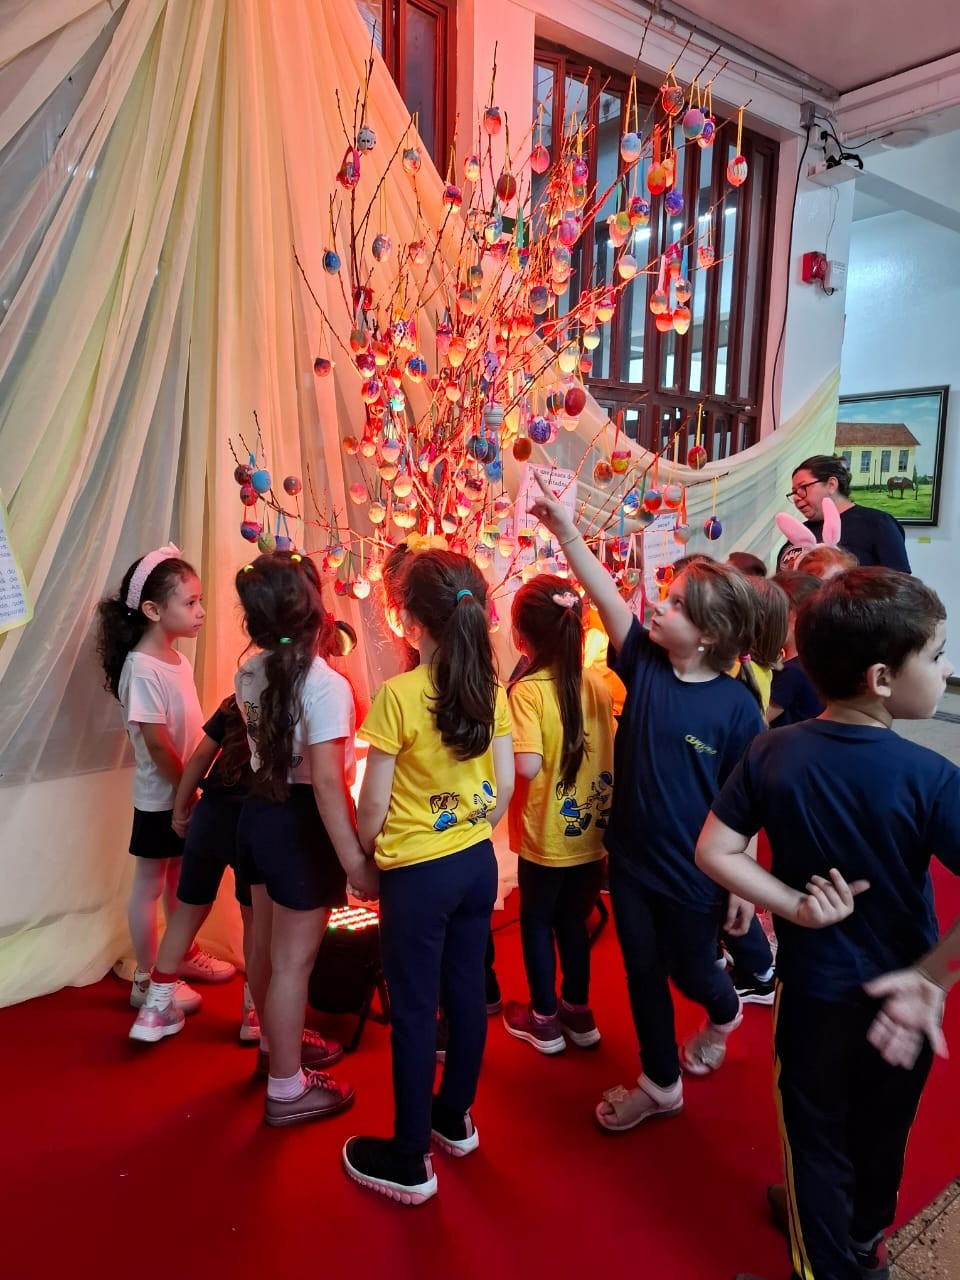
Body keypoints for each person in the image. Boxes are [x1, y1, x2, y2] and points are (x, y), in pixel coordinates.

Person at [695, 567, 959, 1280]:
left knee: (814, 1141)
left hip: (813, 994)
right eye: (937, 656)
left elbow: (714, 850)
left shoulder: (772, 750)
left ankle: (833, 1253)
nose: (946, 670)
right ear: (882, 678)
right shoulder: (931, 776)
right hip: (902, 1002)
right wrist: (931, 979)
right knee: (881, 1132)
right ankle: (860, 1247)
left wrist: (794, 906)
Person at [528, 474, 764, 1132]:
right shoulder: (644, 663)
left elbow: (747, 803)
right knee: (640, 972)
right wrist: (565, 530)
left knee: (692, 971)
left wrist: (743, 881)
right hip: (630, 862)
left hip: (695, 876)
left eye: (677, 605)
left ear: (710, 635)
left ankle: (725, 1010)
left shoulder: (737, 708)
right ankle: (661, 1083)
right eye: (665, 595)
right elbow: (606, 593)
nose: (659, 607)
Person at [344, 550, 514, 1204]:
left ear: (410, 622)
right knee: (467, 994)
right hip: (475, 865)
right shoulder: (491, 690)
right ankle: (454, 1116)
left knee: (415, 1011)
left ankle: (410, 1157)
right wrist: (469, 831)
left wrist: (366, 857)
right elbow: (502, 788)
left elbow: (372, 806)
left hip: (418, 877)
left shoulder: (399, 695)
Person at [234, 551, 375, 1127]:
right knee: (293, 964)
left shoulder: (249, 671)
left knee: (264, 950)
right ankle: (287, 1089)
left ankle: (277, 1050)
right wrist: (356, 863)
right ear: (316, 610)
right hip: (298, 825)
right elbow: (326, 783)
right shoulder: (326, 685)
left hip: (256, 815)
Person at [97, 543, 233, 1012]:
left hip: (183, 792)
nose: (201, 611)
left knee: (180, 877)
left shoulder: (178, 660)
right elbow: (157, 745)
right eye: (191, 602)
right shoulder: (141, 668)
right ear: (153, 610)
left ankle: (181, 955)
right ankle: (147, 975)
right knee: (151, 882)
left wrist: (191, 789)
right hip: (163, 797)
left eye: (200, 601)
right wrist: (184, 790)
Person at [502, 575, 614, 1054]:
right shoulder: (597, 685)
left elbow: (527, 765)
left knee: (537, 922)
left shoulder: (526, 692)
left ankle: (544, 1017)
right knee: (574, 920)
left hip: (546, 835)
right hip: (593, 833)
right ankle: (577, 1010)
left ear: (520, 636)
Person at [128, 696, 256, 1043]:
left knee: (187, 911)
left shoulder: (237, 699)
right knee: (255, 919)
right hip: (254, 818)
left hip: (210, 816)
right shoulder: (301, 694)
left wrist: (181, 807)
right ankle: (255, 1011)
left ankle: (154, 1008)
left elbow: (200, 757)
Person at [777, 455, 910, 571]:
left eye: (803, 487)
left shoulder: (878, 523)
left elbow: (898, 584)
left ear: (831, 484)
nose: (797, 497)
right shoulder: (801, 532)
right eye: (794, 492)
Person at [767, 573, 823, 728]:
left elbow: (755, 719)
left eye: (770, 614)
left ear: (792, 616)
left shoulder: (793, 672)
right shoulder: (812, 661)